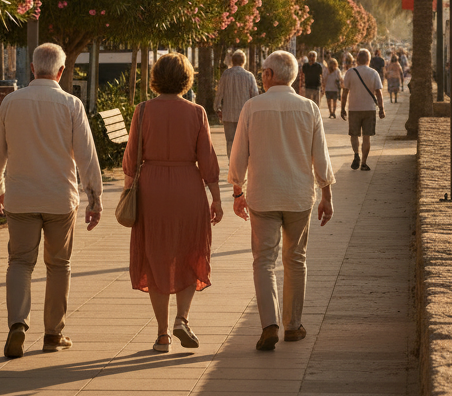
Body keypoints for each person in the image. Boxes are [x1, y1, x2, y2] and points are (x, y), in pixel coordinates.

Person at [0, 43, 103, 358]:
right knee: (59, 265)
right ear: (62, 71)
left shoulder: (12, 102)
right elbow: (86, 156)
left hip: (21, 197)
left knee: (20, 262)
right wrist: (95, 198)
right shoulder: (71, 104)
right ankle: (53, 334)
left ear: (32, 69)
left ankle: (17, 325)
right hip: (59, 199)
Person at [229, 51, 334, 350]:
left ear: (269, 75)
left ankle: (269, 325)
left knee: (263, 261)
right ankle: (293, 325)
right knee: (295, 259)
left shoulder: (252, 107)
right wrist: (326, 195)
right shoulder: (309, 108)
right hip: (299, 196)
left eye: (263, 71)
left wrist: (238, 190)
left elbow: (239, 156)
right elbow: (321, 158)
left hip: (262, 195)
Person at [123, 52, 223, 353]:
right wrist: (216, 198)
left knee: (156, 257)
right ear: (186, 79)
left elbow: (130, 161)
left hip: (152, 189)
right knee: (190, 252)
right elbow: (207, 160)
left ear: (156, 77)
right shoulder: (196, 112)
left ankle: (163, 334)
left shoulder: (142, 111)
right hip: (187, 189)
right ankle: (182, 318)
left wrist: (128, 193)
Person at [340, 49, 385, 171]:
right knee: (366, 137)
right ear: (369, 60)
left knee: (354, 135)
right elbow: (379, 94)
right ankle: (364, 162)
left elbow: (344, 92)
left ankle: (356, 154)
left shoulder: (350, 72)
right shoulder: (374, 73)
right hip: (369, 109)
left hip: (354, 108)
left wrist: (342, 108)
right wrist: (381, 108)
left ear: (357, 60)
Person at [214, 49, 260, 152]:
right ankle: (242, 164)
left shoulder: (226, 74)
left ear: (232, 61)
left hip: (228, 114)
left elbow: (219, 93)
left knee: (230, 141)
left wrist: (217, 108)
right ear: (244, 61)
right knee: (244, 140)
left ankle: (232, 163)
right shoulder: (249, 76)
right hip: (244, 114)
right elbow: (255, 95)